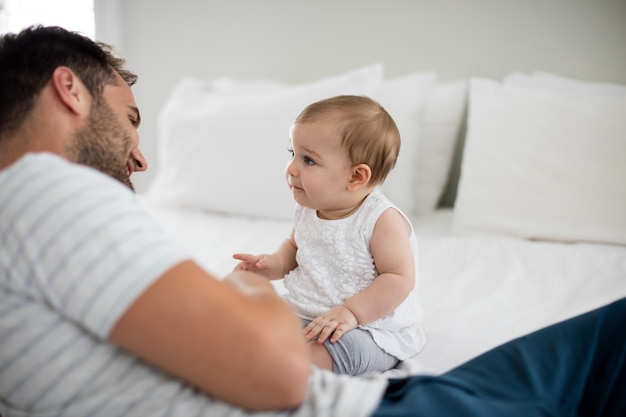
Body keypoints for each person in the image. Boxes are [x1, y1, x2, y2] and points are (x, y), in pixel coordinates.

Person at [0, 25, 624, 417]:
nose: (141, 156)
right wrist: (250, 286)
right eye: (132, 119)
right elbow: (276, 369)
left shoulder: (25, 215)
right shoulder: (44, 189)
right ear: (70, 90)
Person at [233, 95, 424, 375]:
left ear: (356, 177)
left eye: (308, 160)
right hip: (307, 311)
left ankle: (285, 369)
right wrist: (273, 264)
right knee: (246, 307)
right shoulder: (310, 206)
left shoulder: (381, 220)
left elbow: (398, 279)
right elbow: (295, 246)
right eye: (292, 154)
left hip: (367, 328)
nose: (292, 168)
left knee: (336, 352)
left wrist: (352, 313)